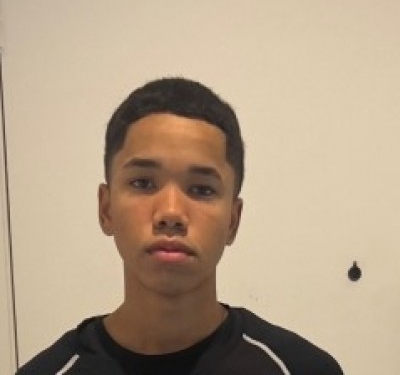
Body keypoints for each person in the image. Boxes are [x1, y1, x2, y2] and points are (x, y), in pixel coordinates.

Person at [17, 77, 343, 374]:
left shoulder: (303, 370)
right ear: (106, 209)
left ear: (233, 220)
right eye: (143, 183)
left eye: (201, 189)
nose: (171, 212)